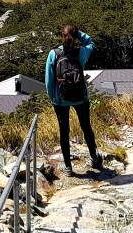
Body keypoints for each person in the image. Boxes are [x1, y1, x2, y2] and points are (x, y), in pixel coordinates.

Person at [45, 24, 103, 175]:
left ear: (61, 36)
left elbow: (49, 82)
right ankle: (94, 158)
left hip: (61, 100)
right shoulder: (80, 52)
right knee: (86, 127)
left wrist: (54, 99)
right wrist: (79, 34)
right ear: (74, 37)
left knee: (64, 132)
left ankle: (68, 168)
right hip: (81, 97)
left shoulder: (54, 54)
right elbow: (90, 42)